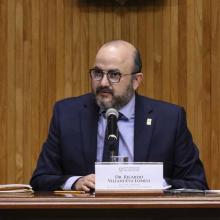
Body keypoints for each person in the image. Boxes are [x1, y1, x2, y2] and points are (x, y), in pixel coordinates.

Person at [30, 40, 208, 191]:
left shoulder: (168, 119)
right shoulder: (67, 114)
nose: (103, 82)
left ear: (136, 81)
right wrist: (76, 182)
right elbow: (40, 179)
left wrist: (150, 184)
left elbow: (197, 185)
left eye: (114, 75)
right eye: (98, 73)